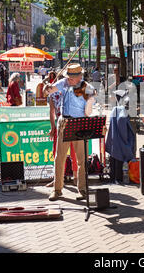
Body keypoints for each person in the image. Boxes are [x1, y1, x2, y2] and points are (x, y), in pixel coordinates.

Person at [43, 64, 96, 201]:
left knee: (81, 159)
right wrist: (47, 87)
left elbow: (88, 112)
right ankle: (57, 189)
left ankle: (82, 189)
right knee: (59, 157)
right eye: (71, 78)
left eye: (75, 78)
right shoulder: (63, 83)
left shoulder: (86, 87)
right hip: (64, 122)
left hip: (79, 123)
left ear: (79, 76)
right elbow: (49, 91)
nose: (73, 80)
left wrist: (90, 101)